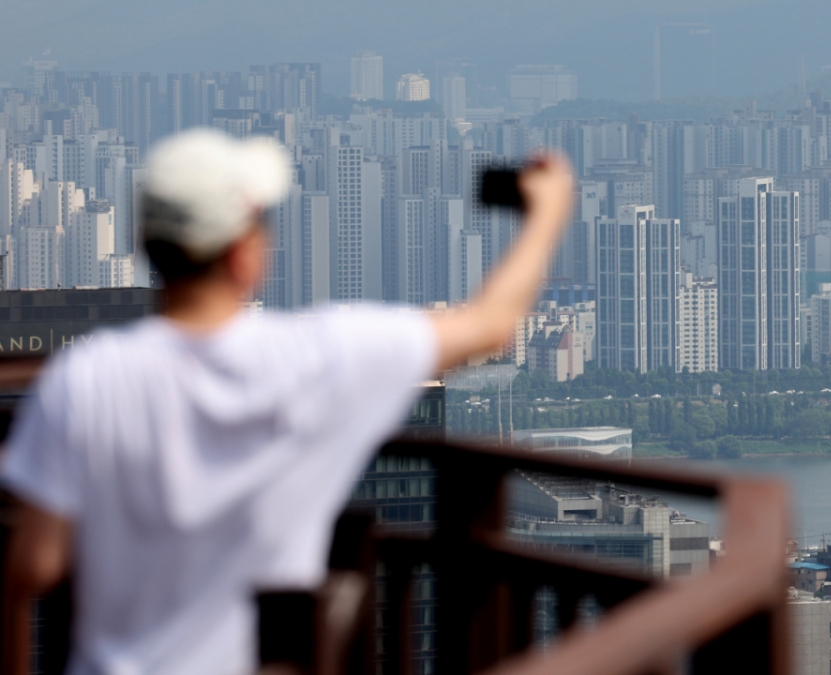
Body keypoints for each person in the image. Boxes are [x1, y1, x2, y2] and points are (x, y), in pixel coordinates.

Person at [0, 129, 574, 675]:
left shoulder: (84, 378)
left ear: (148, 245)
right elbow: (490, 324)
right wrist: (547, 212)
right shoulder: (317, 361)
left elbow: (34, 564)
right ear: (242, 254)